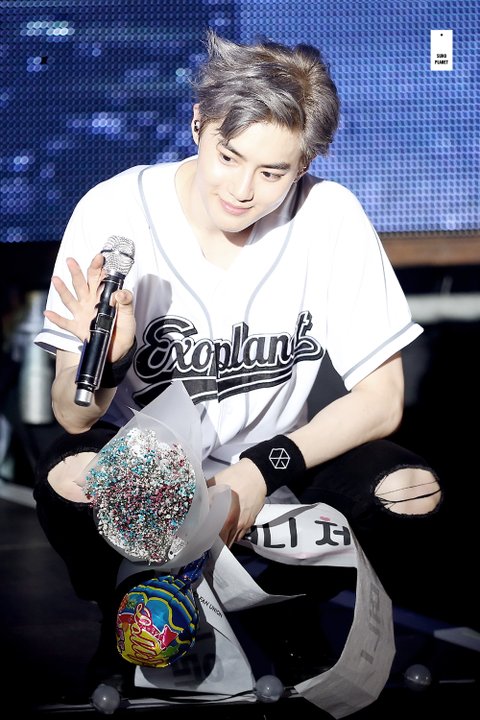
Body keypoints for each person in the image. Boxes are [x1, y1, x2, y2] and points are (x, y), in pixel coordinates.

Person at [33, 29, 443, 692]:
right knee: (72, 477)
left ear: (306, 163)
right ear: (199, 124)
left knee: (411, 492)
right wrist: (105, 361)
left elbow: (382, 400)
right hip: (151, 469)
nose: (243, 189)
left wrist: (261, 468)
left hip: (274, 462)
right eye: (229, 156)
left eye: (273, 172)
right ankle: (128, 612)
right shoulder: (113, 210)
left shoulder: (330, 216)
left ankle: (288, 612)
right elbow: (72, 415)